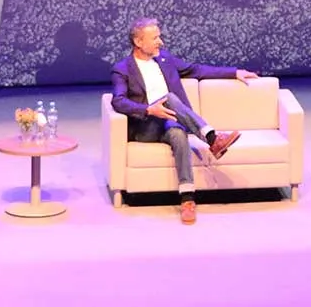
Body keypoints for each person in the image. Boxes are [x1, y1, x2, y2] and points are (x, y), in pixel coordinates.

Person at [109, 17, 258, 225]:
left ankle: (187, 199)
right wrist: (148, 109)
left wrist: (234, 72)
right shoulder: (123, 69)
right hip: (146, 127)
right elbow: (118, 101)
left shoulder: (165, 60)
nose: (160, 42)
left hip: (170, 123)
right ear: (138, 42)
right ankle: (212, 138)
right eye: (155, 38)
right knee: (168, 98)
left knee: (179, 134)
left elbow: (198, 70)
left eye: (159, 36)